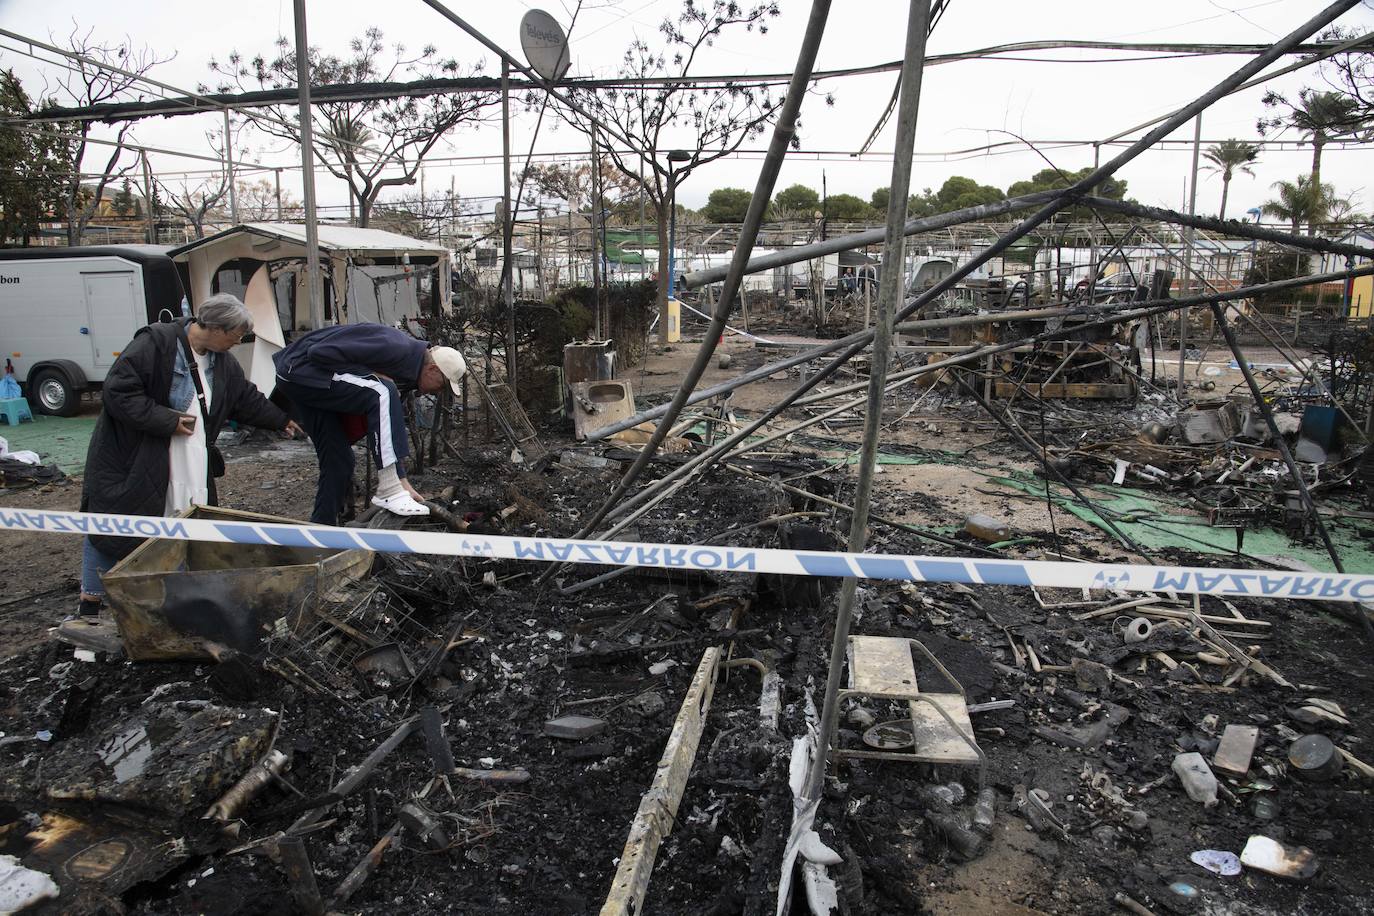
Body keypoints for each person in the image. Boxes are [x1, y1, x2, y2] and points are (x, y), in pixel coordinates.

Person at [77, 294, 302, 618]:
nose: (239, 341)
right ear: (214, 327)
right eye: (236, 334)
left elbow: (243, 397)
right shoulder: (155, 343)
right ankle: (90, 603)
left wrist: (281, 419)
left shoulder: (221, 360)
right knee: (113, 527)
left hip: (189, 461)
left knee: (181, 522)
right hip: (136, 458)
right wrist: (166, 420)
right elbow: (118, 392)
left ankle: (165, 599)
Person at [272, 323, 467, 524]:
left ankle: (321, 532)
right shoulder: (394, 346)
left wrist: (404, 483)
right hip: (300, 369)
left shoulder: (407, 375)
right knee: (381, 390)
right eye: (442, 386)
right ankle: (388, 489)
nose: (438, 392)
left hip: (305, 378)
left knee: (339, 460)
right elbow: (319, 353)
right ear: (433, 369)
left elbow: (387, 430)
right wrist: (367, 374)